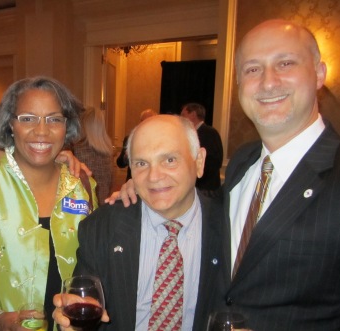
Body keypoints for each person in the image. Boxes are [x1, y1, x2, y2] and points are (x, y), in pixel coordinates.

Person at [212, 19, 340, 330]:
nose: (269, 82)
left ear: (319, 74)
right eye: (253, 69)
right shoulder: (243, 161)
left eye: (285, 63)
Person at [0, 76, 99, 331]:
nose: (42, 131)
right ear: (10, 124)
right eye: (28, 118)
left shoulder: (81, 187)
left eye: (54, 119)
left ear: (67, 127)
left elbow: (97, 265)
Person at [54, 115, 223, 331]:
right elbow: (83, 308)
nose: (154, 176)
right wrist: (71, 325)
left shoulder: (230, 224)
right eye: (142, 163)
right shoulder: (101, 227)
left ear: (199, 161)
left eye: (169, 160)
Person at [73, 106, 113, 204]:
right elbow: (110, 185)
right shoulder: (108, 153)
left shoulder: (77, 150)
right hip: (104, 206)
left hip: (83, 207)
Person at [180, 102, 223, 193]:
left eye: (183, 114)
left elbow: (214, 162)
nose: (181, 118)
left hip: (206, 189)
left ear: (193, 115)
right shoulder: (191, 133)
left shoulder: (209, 133)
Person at [116, 108, 157, 181]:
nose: (146, 124)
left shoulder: (160, 141)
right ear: (140, 122)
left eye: (150, 121)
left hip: (152, 181)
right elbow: (120, 164)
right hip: (132, 184)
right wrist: (126, 156)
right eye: (144, 121)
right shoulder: (129, 139)